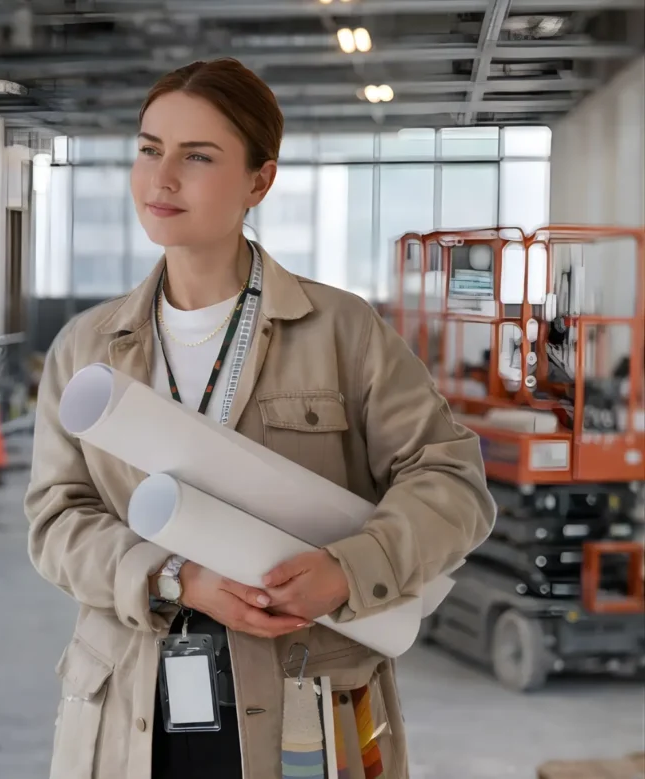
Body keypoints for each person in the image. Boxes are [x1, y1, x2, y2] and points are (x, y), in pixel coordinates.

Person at [24, 57, 495, 779]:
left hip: (305, 691)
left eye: (198, 156)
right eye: (149, 149)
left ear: (259, 181)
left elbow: (453, 481)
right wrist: (174, 577)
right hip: (132, 703)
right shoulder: (88, 349)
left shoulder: (343, 332)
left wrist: (349, 568)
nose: (162, 179)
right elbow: (58, 519)